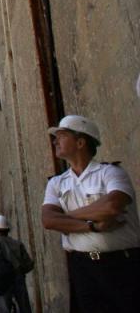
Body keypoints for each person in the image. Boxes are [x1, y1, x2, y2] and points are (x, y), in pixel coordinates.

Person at [41, 114, 140, 312]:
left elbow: (112, 206)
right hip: (82, 267)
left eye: (61, 136)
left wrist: (67, 217)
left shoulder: (110, 173)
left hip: (122, 264)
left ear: (80, 142)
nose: (55, 141)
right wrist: (91, 225)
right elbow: (48, 220)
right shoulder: (57, 183)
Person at [0, 214, 33, 313]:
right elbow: (29, 264)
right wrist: (20, 272)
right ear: (7, 229)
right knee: (24, 307)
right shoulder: (18, 244)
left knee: (5, 308)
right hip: (18, 277)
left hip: (3, 279)